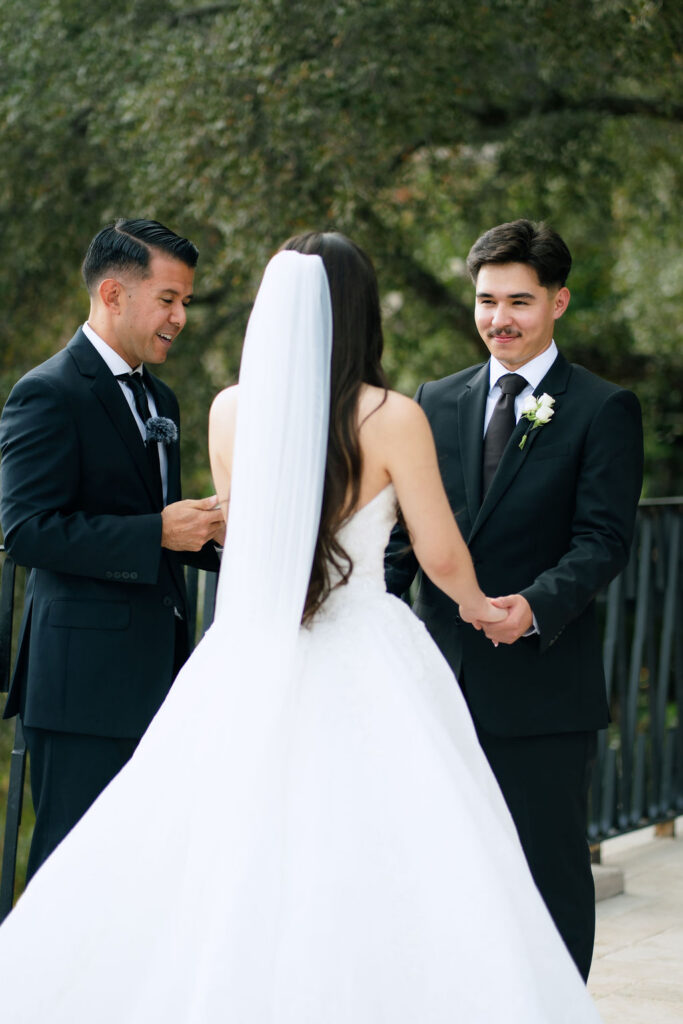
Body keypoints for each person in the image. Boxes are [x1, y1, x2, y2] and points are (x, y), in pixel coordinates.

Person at [0, 235, 601, 1022]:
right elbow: (440, 552)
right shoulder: (392, 416)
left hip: (252, 648)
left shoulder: (225, 409)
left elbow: (257, 538)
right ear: (359, 312)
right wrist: (482, 606)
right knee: (397, 845)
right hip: (362, 643)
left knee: (230, 841)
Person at [385, 219, 644, 980]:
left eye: (519, 301)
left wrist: (532, 607)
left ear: (558, 302)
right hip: (439, 684)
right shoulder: (434, 400)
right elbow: (405, 540)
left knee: (547, 872)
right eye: (486, 300)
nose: (499, 318)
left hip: (542, 689)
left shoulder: (602, 407)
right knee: (447, 873)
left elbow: (602, 540)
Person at [0, 218, 223, 882]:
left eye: (185, 301)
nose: (180, 316)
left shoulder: (162, 399)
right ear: (114, 293)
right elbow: (26, 530)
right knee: (74, 878)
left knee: (144, 884)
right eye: (169, 299)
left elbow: (161, 528)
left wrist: (219, 533)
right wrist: (156, 530)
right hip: (81, 692)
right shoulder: (47, 392)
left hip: (164, 682)